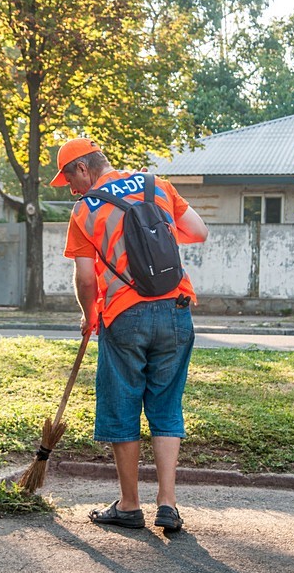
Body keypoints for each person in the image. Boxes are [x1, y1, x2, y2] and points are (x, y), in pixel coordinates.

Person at [51, 137, 208, 531]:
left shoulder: (85, 209)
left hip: (124, 315)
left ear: (84, 168)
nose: (71, 188)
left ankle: (130, 505)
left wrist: (89, 315)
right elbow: (198, 231)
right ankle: (168, 504)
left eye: (70, 177)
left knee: (123, 407)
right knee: (166, 407)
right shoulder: (156, 185)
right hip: (176, 311)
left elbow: (86, 278)